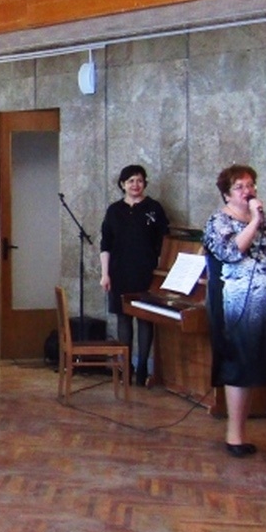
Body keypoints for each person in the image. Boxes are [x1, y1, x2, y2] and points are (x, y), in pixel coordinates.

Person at [203, 165, 266, 457]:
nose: (248, 191)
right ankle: (234, 436)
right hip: (234, 306)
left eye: (251, 185)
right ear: (227, 194)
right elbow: (232, 252)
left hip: (263, 304)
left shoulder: (264, 222)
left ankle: (241, 432)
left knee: (253, 364)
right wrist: (254, 221)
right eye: (240, 186)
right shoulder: (218, 221)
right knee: (238, 365)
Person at [98, 164, 170, 387]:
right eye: (130, 181)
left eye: (139, 180)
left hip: (146, 271)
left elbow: (164, 241)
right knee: (123, 318)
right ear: (122, 184)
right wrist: (105, 274)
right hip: (119, 271)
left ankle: (142, 370)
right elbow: (105, 244)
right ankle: (126, 368)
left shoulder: (154, 208)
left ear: (144, 183)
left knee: (145, 318)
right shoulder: (114, 210)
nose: (135, 185)